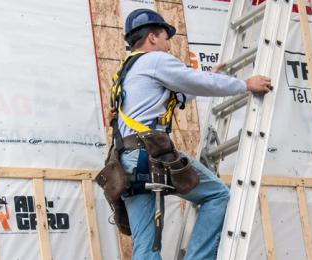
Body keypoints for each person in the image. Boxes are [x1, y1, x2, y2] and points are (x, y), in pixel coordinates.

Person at [111, 8, 271, 260]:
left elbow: (183, 90)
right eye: (165, 38)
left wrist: (210, 76)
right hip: (149, 156)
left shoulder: (127, 72)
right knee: (218, 195)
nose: (167, 46)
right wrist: (244, 85)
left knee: (146, 246)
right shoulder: (155, 60)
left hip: (127, 164)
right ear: (152, 37)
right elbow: (195, 82)